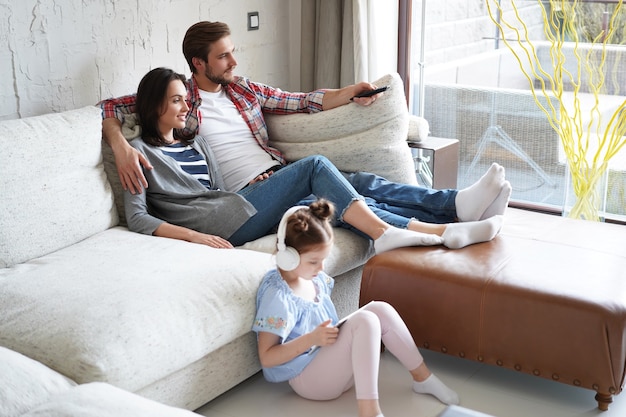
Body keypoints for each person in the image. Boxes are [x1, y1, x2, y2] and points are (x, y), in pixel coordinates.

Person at [99, 20, 512, 232]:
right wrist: (119, 144)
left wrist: (352, 91)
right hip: (245, 195)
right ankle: (441, 223)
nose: (234, 63)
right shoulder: (177, 98)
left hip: (277, 175)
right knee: (331, 185)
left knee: (361, 183)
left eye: (233, 53)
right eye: (224, 57)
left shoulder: (242, 90)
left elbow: (300, 101)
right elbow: (107, 107)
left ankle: (453, 207)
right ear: (199, 63)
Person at [123, 67, 502, 252]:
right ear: (154, 104)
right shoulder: (138, 152)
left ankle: (446, 223)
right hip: (220, 226)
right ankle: (392, 233)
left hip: (238, 206)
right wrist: (195, 236)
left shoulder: (195, 141)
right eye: (176, 100)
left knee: (335, 199)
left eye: (184, 99)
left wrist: (261, 188)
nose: (186, 105)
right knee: (316, 166)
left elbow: (220, 189)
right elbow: (138, 217)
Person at [252, 199, 459, 417]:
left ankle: (423, 378)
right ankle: (369, 412)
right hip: (309, 380)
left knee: (380, 309)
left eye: (324, 259)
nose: (322, 268)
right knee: (365, 321)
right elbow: (267, 357)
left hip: (334, 369)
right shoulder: (279, 296)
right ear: (288, 256)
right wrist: (312, 339)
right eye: (314, 261)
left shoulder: (314, 279)